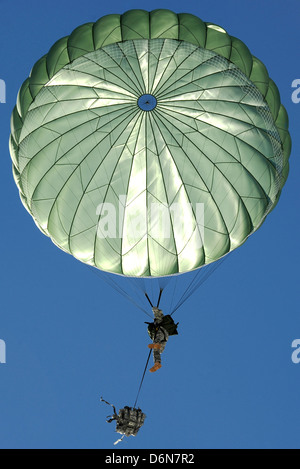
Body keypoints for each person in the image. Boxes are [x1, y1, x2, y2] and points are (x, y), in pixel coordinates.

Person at [147, 307, 171, 372]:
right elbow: (159, 315)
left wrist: (154, 310)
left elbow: (158, 316)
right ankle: (157, 363)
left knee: (156, 347)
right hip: (163, 337)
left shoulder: (160, 320)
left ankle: (157, 363)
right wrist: (155, 310)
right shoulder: (160, 320)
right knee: (156, 349)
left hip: (162, 334)